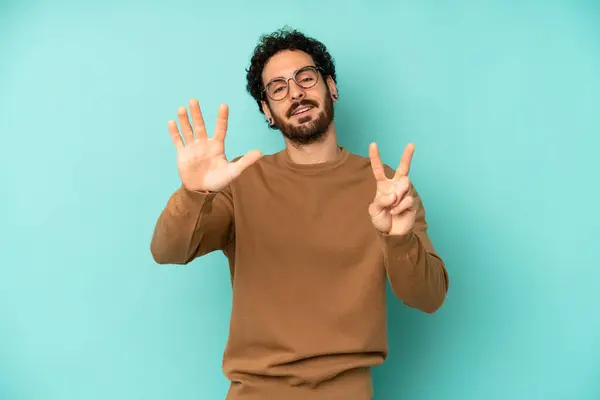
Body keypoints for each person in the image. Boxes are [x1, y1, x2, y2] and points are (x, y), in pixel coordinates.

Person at [150, 27, 449, 400]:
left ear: (331, 87)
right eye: (277, 88)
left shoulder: (389, 187)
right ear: (267, 112)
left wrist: (398, 237)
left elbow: (429, 297)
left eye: (305, 78)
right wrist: (195, 193)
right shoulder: (240, 181)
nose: (295, 92)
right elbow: (168, 251)